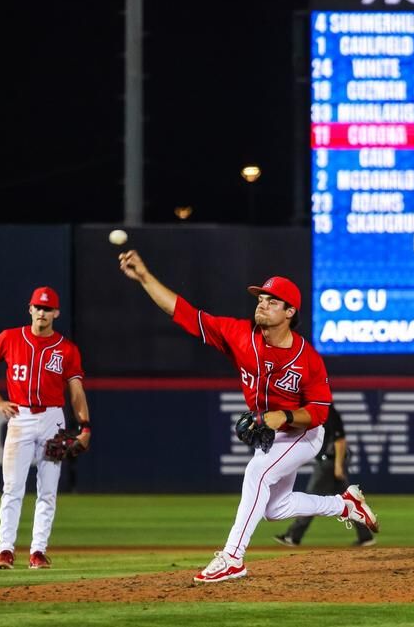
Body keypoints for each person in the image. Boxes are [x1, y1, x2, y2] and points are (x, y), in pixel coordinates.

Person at [117, 250, 379, 583]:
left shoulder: (307, 358)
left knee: (257, 471)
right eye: (261, 298)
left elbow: (318, 412)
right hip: (274, 431)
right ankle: (345, 506)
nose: (262, 303)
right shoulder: (239, 334)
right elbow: (183, 313)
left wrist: (281, 416)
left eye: (272, 301)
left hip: (303, 432)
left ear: (289, 312)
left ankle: (232, 558)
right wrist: (144, 276)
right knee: (274, 508)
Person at [0, 286, 91, 571]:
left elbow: (76, 390)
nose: (42, 312)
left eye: (47, 308)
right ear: (30, 309)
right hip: (21, 417)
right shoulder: (10, 338)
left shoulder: (66, 349)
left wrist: (84, 426)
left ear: (56, 313)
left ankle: (38, 551)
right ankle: (5, 551)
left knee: (48, 490)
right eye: (38, 307)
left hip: (53, 419)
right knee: (13, 487)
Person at [274, 404, 375, 547]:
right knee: (348, 501)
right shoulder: (318, 411)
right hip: (329, 463)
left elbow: (340, 440)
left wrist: (338, 466)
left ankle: (293, 536)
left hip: (329, 464)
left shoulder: (329, 412)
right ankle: (366, 536)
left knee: (310, 497)